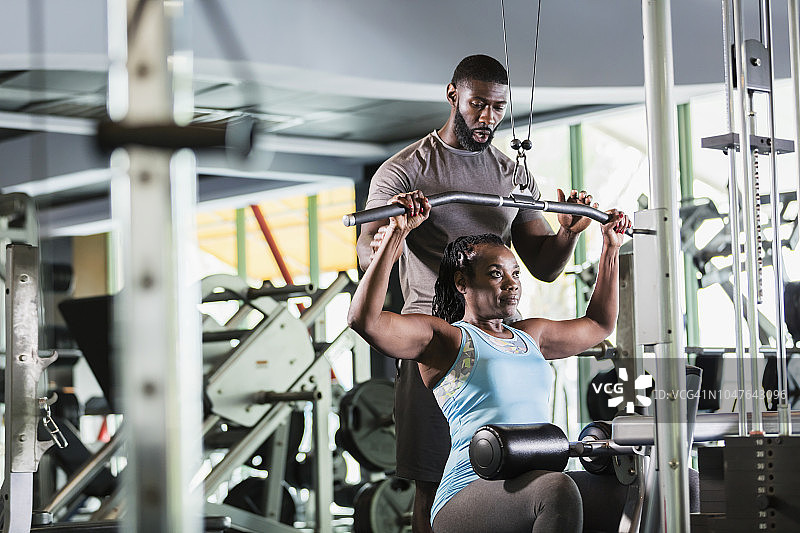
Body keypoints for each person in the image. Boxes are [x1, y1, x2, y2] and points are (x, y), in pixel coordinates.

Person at [356, 54, 597, 532]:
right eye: (478, 104)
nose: (488, 117)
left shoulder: (511, 174)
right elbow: (367, 254)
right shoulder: (404, 171)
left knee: (520, 476)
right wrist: (398, 230)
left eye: (498, 107)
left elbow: (544, 265)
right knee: (432, 484)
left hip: (498, 344)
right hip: (436, 345)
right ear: (453, 96)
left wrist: (568, 233)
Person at [348, 190, 631, 532]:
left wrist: (610, 247)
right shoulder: (447, 340)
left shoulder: (531, 337)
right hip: (467, 494)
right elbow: (365, 321)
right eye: (497, 274)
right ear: (462, 282)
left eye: (516, 274)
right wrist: (397, 233)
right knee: (556, 489)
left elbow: (599, 324)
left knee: (631, 490)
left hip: (532, 486)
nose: (512, 284)